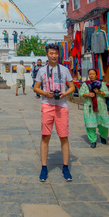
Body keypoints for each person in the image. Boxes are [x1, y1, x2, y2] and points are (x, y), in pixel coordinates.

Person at [34, 43, 75, 182]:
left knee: (64, 136)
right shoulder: (41, 71)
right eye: (51, 53)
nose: (53, 55)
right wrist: (45, 93)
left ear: (59, 54)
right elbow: (36, 87)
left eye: (55, 53)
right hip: (47, 105)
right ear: (47, 54)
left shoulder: (64, 70)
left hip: (61, 105)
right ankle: (44, 167)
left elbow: (72, 86)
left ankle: (65, 167)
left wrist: (64, 94)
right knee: (45, 136)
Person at [79, 69, 109, 148]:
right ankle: (93, 140)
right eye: (90, 74)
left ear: (96, 75)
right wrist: (88, 94)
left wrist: (99, 92)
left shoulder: (102, 84)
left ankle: (103, 137)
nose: (91, 75)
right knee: (90, 125)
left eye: (93, 74)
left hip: (101, 108)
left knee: (103, 124)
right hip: (89, 107)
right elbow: (80, 93)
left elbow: (107, 93)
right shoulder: (85, 84)